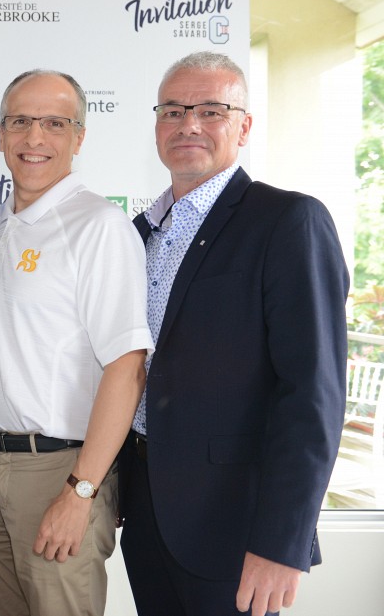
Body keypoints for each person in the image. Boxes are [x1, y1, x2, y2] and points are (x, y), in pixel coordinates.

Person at [118, 51, 350, 616]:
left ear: (243, 126)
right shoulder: (136, 234)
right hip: (146, 514)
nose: (189, 124)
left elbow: (313, 395)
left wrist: (281, 543)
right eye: (172, 111)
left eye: (211, 110)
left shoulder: (288, 221)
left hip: (235, 528)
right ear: (156, 127)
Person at [0, 70, 153, 616]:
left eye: (54, 123)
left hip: (59, 472)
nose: (34, 138)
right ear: (0, 133)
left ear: (79, 137)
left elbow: (127, 367)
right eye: (20, 121)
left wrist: (80, 492)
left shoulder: (98, 225)